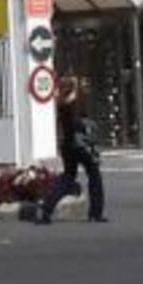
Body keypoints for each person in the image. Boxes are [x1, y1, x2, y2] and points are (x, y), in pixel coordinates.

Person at [37, 75, 107, 223]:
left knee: (68, 177)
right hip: (80, 146)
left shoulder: (61, 102)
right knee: (94, 175)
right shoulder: (75, 103)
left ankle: (47, 207)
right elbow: (78, 124)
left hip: (68, 146)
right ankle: (96, 212)